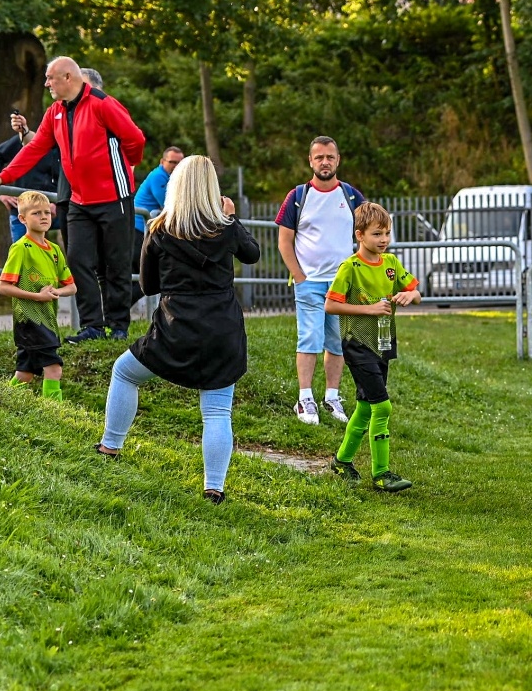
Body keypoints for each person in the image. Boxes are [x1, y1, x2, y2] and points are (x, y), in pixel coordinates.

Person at [95, 156, 259, 504]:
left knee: (124, 372)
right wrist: (232, 218)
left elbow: (149, 286)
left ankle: (110, 446)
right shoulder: (226, 227)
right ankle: (214, 488)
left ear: (176, 187)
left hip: (175, 328)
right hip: (223, 330)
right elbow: (252, 254)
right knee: (217, 411)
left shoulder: (158, 229)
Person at [0, 55, 146, 344]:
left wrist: (124, 168)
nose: (46, 83)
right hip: (79, 201)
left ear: (68, 77)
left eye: (50, 78)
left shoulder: (102, 104)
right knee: (78, 261)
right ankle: (93, 326)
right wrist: (4, 176)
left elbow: (135, 140)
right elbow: (36, 147)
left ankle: (118, 326)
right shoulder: (55, 111)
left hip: (114, 198)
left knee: (116, 263)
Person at [324, 203, 422, 492]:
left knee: (366, 407)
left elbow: (416, 292)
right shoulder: (350, 268)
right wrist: (369, 309)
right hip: (357, 344)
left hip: (383, 343)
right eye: (377, 234)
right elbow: (330, 305)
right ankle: (381, 474)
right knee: (383, 406)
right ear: (360, 235)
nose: (384, 239)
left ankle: (342, 461)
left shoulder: (391, 263)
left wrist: (411, 296)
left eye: (387, 233)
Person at [277, 136, 362, 425]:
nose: (325, 162)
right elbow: (284, 241)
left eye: (330, 157)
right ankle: (304, 399)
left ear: (338, 160)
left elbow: (367, 233)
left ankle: (332, 398)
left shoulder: (351, 196)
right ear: (310, 161)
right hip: (310, 283)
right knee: (309, 339)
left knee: (337, 343)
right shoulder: (298, 196)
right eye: (319, 157)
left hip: (342, 286)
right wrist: (300, 276)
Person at [0, 191, 76, 398]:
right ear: (22, 218)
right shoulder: (20, 248)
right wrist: (37, 297)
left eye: (47, 213)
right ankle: (55, 412)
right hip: (30, 321)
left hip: (48, 320)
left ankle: (2, 400)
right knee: (54, 369)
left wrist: (56, 291)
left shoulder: (55, 250)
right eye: (36, 213)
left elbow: (71, 287)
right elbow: (3, 287)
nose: (43, 217)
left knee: (25, 374)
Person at [0, 111, 64, 241]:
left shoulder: (68, 145)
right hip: (24, 209)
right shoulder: (25, 141)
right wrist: (1, 191)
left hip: (57, 208)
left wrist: (59, 203)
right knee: (24, 250)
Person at [131, 146, 185, 304]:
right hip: (138, 231)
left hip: (145, 231)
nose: (176, 166)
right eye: (172, 162)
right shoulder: (159, 176)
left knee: (143, 277)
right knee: (149, 276)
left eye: (180, 163)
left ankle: (116, 311)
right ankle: (116, 310)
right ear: (162, 162)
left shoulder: (171, 179)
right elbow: (169, 205)